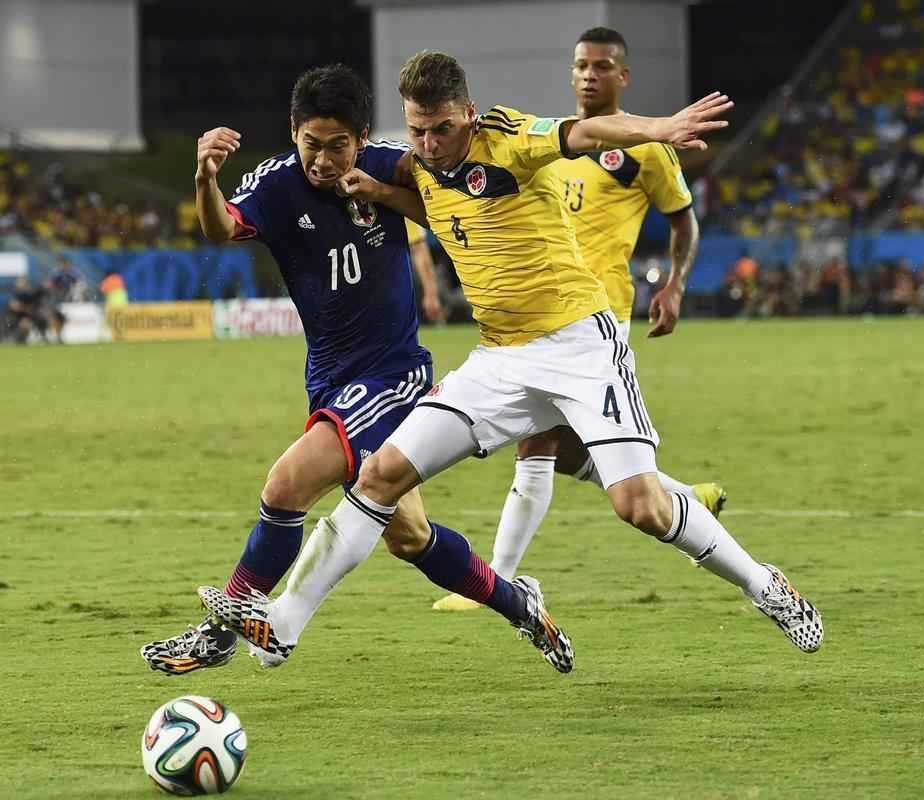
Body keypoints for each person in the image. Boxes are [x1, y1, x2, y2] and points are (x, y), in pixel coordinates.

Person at [198, 51, 823, 672]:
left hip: (579, 346)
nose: (430, 143)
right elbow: (444, 213)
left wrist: (660, 127)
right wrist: (384, 190)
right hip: (499, 357)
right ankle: (283, 624)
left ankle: (762, 583)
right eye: (418, 130)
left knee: (641, 506)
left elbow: (583, 132)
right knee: (381, 475)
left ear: (468, 113)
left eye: (442, 128)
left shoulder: (507, 137)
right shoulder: (420, 167)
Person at [141, 64, 566, 675]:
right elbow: (221, 228)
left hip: (393, 375)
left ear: (362, 138)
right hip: (329, 378)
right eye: (310, 143)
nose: (322, 160)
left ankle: (220, 632)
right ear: (293, 133)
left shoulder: (393, 165)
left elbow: (450, 207)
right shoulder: (276, 183)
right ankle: (519, 604)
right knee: (409, 536)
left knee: (286, 485)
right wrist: (206, 177)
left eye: (337, 145)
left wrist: (389, 195)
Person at [430, 27, 726, 612]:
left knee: (536, 442)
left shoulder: (645, 149)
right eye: (582, 65)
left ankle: (496, 583)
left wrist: (675, 284)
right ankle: (689, 500)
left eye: (602, 66)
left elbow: (683, 220)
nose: (590, 75)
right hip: (542, 309)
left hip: (597, 314)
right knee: (569, 453)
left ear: (624, 76)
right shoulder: (554, 143)